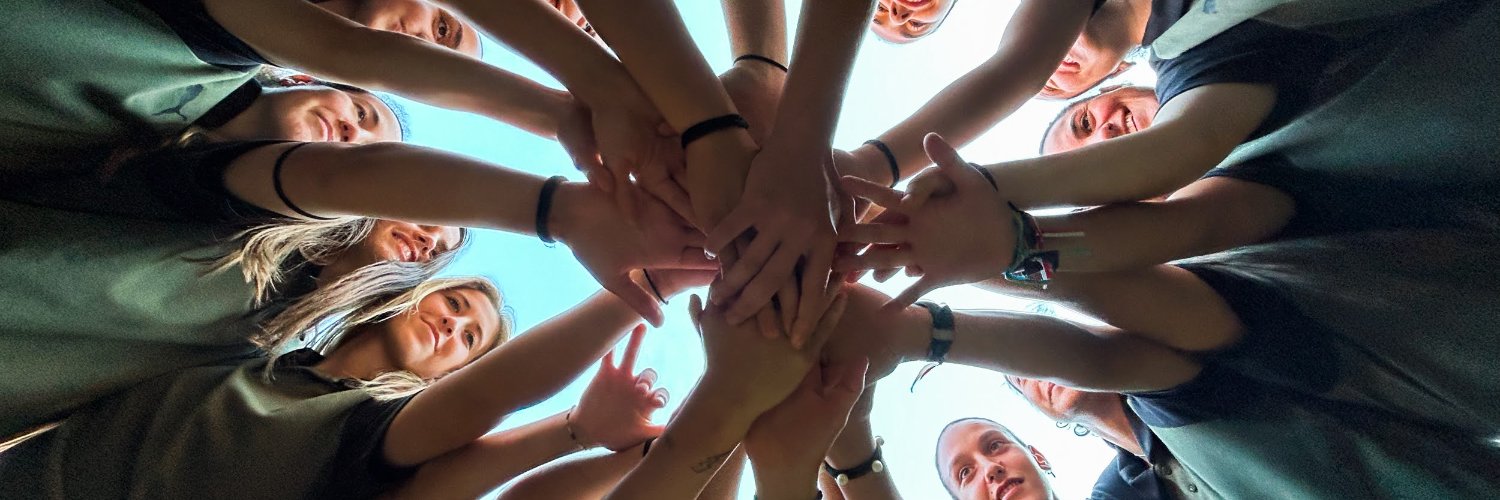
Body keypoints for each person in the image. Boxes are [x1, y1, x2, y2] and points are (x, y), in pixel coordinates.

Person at [0, 268, 712, 498]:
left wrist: (647, 284)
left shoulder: (365, 427)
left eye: (470, 342)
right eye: (456, 306)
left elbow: (476, 407)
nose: (454, 328)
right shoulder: (259, 355)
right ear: (414, 295)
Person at [813, 283, 1500, 499]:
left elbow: (1141, 365)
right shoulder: (1129, 482)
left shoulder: (1181, 400)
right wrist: (844, 415)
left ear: (1041, 457)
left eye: (994, 446)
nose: (990, 469)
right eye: (967, 474)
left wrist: (920, 332)